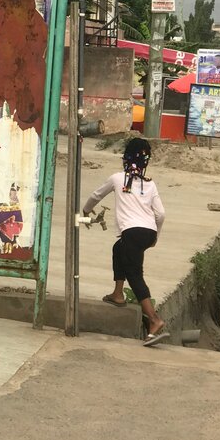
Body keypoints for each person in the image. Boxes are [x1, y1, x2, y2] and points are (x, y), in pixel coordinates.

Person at [83, 138, 168, 346]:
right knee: (117, 248)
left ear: (126, 158)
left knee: (135, 275)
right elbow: (161, 214)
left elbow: (96, 195)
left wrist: (85, 211)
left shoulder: (117, 178)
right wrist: (155, 236)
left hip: (132, 232)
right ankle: (118, 293)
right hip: (147, 232)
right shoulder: (150, 184)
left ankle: (154, 320)